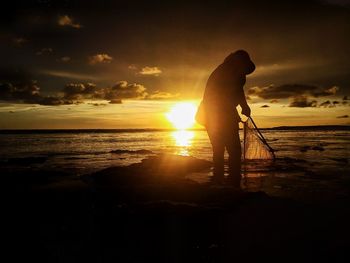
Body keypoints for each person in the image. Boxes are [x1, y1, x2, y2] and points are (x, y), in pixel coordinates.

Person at [199, 50, 255, 186]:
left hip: (217, 114)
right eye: (244, 70)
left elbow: (237, 91)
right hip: (214, 114)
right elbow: (229, 94)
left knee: (222, 149)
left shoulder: (232, 71)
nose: (244, 75)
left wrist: (243, 106)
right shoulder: (225, 72)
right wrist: (242, 107)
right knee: (232, 150)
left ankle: (222, 182)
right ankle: (231, 184)